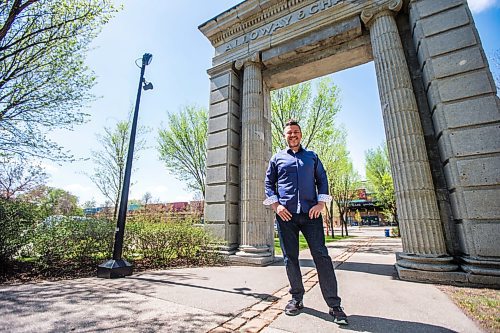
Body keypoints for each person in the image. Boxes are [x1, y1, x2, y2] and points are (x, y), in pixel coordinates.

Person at [263, 119, 348, 325]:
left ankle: (334, 305)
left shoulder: (312, 157)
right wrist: (277, 206)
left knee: (321, 256)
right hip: (286, 216)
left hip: (311, 215)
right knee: (289, 258)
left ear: (301, 134)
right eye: (289, 133)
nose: (292, 135)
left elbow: (323, 180)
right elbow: (268, 183)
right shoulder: (277, 158)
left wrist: (321, 204)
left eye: (296, 132)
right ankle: (296, 299)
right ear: (284, 136)